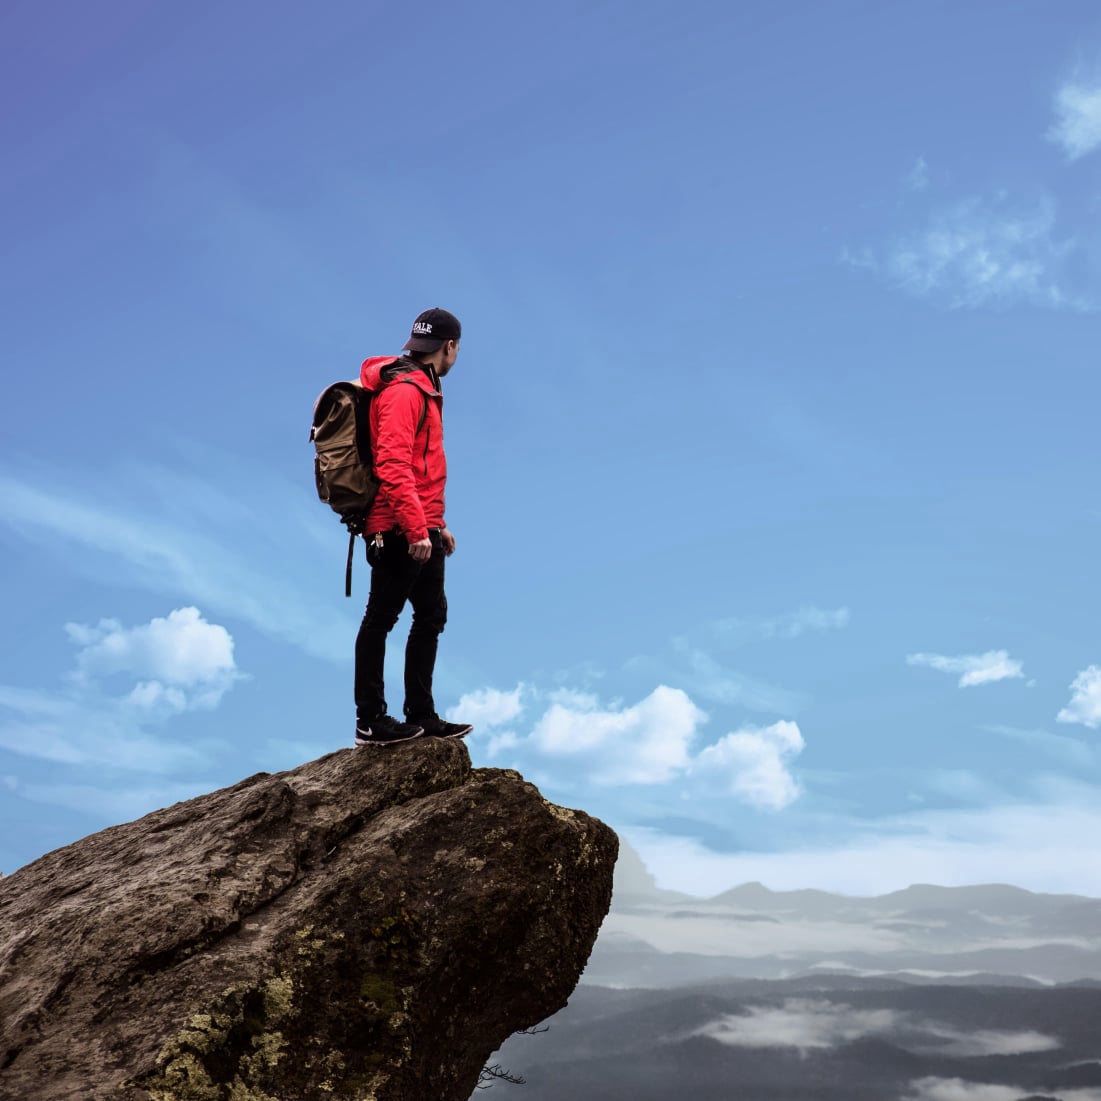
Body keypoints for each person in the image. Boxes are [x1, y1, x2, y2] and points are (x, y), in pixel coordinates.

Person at [352, 307, 473, 747]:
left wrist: (437, 525)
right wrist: (415, 527)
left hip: (421, 523)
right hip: (396, 526)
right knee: (380, 619)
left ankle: (420, 715)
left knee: (431, 617)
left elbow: (422, 468)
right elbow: (392, 464)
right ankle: (370, 720)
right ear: (451, 347)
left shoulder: (425, 386)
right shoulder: (405, 391)